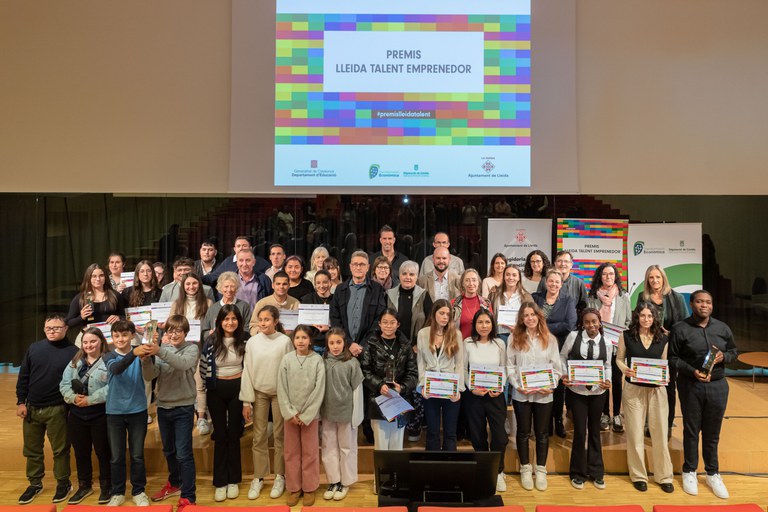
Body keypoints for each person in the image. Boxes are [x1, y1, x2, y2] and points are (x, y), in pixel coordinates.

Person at [669, 290, 738, 500]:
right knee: (691, 430)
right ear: (692, 304)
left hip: (718, 386)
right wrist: (692, 372)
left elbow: (734, 352)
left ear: (712, 305)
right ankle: (689, 470)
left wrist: (724, 356)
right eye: (699, 302)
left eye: (708, 302)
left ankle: (712, 473)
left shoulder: (722, 328)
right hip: (691, 385)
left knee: (712, 432)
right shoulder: (680, 328)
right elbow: (673, 358)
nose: (704, 305)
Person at [16, 313, 79, 505]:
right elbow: (24, 376)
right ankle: (35, 483)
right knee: (32, 450)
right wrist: (21, 402)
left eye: (56, 328)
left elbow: (76, 383)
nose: (52, 331)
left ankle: (63, 483)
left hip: (57, 408)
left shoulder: (74, 352)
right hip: (32, 407)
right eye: (48, 328)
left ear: (66, 328)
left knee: (60, 450)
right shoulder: (34, 348)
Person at [140, 315, 200, 512]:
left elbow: (182, 364)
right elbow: (150, 376)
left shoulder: (192, 349)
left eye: (178, 331)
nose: (174, 335)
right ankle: (174, 483)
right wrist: (146, 360)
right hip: (163, 407)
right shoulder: (161, 350)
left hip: (184, 407)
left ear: (185, 332)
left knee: (184, 454)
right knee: (169, 451)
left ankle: (188, 496)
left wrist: (159, 350)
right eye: (170, 331)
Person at [615, 303, 674, 494]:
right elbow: (619, 359)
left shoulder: (663, 337)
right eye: (643, 316)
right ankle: (639, 476)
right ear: (637, 317)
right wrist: (625, 370)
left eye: (650, 316)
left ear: (655, 318)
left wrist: (666, 375)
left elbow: (664, 363)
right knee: (635, 434)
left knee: (660, 433)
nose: (646, 319)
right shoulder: (626, 335)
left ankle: (664, 476)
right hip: (633, 389)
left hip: (657, 390)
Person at [507, 302, 562, 492]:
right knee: (522, 432)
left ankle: (540, 470)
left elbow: (557, 368)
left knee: (542, 433)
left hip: (543, 395)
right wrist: (517, 385)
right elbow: (510, 366)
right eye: (526, 315)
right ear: (521, 319)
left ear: (539, 316)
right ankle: (525, 468)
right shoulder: (514, 338)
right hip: (521, 394)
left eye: (532, 314)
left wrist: (551, 385)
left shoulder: (550, 339)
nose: (529, 318)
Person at [240, 306, 293, 500]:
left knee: (280, 436)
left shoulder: (285, 341)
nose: (263, 323)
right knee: (259, 436)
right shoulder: (252, 342)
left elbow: (289, 369)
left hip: (280, 394)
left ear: (275, 321)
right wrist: (246, 401)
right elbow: (247, 370)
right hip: (259, 393)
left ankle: (280, 476)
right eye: (260, 319)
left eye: (267, 319)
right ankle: (259, 476)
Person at [199, 305, 249, 502]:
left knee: (234, 434)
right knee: (220, 435)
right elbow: (203, 368)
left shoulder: (245, 339)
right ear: (219, 321)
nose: (230, 322)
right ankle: (220, 482)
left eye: (234, 318)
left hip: (238, 389)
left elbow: (249, 367)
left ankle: (234, 480)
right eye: (226, 319)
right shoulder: (211, 340)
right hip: (216, 390)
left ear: (239, 321)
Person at [560, 308, 612, 490]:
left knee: (595, 431)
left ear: (600, 322)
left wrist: (607, 380)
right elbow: (562, 357)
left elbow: (608, 366)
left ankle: (596, 472)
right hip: (577, 392)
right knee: (580, 432)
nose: (591, 325)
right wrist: (564, 374)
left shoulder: (607, 342)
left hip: (598, 393)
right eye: (587, 322)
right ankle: (577, 473)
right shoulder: (573, 337)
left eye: (594, 321)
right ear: (582, 324)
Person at [60, 327, 112, 504]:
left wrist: (90, 400)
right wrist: (73, 398)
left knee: (103, 452)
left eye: (93, 341)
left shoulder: (109, 360)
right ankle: (84, 486)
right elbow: (64, 384)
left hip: (100, 414)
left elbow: (112, 386)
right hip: (77, 415)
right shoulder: (75, 361)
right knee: (81, 453)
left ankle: (106, 487)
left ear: (101, 342)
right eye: (85, 342)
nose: (89, 345)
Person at [102, 320, 150, 506]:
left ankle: (139, 491)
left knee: (137, 455)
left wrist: (146, 357)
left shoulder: (140, 352)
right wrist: (134, 353)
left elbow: (151, 373)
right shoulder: (108, 355)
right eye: (116, 336)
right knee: (116, 456)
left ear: (131, 335)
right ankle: (118, 492)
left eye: (124, 335)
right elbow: (117, 369)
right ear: (112, 338)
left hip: (138, 410)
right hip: (114, 412)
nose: (120, 339)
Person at [278, 325, 326, 506]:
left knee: (310, 452)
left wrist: (306, 415)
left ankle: (309, 487)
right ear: (293, 340)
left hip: (310, 416)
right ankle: (294, 487)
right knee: (291, 452)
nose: (300, 341)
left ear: (310, 341)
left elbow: (319, 389)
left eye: (304, 338)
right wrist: (290, 412)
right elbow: (281, 388)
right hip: (290, 415)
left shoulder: (317, 360)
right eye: (297, 338)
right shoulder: (287, 360)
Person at [464, 309, 509, 492]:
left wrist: (500, 386)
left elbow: (504, 368)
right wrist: (472, 388)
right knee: (478, 436)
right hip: (474, 396)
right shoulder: (468, 343)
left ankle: (498, 471)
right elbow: (463, 369)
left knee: (500, 436)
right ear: (475, 324)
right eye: (480, 322)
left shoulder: (499, 343)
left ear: (493, 324)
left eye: (487, 322)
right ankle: (484, 470)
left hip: (495, 396)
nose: (484, 326)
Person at [640, 264, 688, 436]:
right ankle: (649, 424)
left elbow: (685, 324)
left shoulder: (676, 298)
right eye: (651, 277)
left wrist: (671, 333)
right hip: (648, 348)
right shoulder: (643, 297)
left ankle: (666, 424)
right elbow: (638, 320)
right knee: (648, 386)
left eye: (657, 277)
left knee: (668, 386)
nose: (654, 280)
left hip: (670, 348)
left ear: (663, 278)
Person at [361, 310, 418, 451]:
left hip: (399, 400)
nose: (388, 326)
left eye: (392, 322)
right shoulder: (371, 344)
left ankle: (396, 468)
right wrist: (379, 385)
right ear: (379, 324)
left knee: (396, 447)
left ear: (398, 324)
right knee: (381, 446)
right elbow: (365, 371)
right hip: (378, 399)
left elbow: (412, 373)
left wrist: (402, 387)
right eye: (385, 322)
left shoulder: (405, 345)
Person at [587, 262, 632, 433]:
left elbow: (628, 321)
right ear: (600, 276)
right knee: (603, 379)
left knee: (617, 380)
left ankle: (617, 414)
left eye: (611, 274)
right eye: (605, 274)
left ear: (616, 276)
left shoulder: (623, 296)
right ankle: (604, 413)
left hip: (617, 345)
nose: (608, 277)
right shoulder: (592, 296)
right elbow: (588, 319)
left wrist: (620, 336)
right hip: (598, 343)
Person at [533, 269, 577, 437]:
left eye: (557, 282)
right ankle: (543, 423)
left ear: (561, 284)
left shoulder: (568, 300)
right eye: (550, 281)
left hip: (559, 347)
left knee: (557, 386)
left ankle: (558, 420)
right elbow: (529, 319)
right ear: (546, 282)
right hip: (537, 347)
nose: (553, 284)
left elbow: (569, 324)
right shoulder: (536, 298)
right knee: (540, 381)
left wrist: (543, 328)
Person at [321, 328, 363, 501]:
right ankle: (334, 480)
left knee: (347, 447)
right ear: (327, 344)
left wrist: (356, 416)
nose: (335, 346)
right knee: (329, 447)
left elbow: (357, 390)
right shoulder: (323, 362)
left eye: (338, 342)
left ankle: (346, 481)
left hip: (346, 413)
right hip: (328, 412)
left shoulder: (352, 363)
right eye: (331, 343)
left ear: (344, 343)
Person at [416, 299, 464, 451]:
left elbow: (460, 363)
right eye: (441, 313)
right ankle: (433, 464)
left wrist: (458, 389)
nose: (445, 317)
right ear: (434, 313)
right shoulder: (423, 333)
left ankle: (450, 464)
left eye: (448, 314)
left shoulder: (456, 334)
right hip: (431, 387)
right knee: (432, 432)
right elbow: (421, 362)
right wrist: (422, 386)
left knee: (450, 432)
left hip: (450, 387)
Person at [329, 250, 387, 354]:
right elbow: (335, 319)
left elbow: (379, 320)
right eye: (355, 264)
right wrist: (349, 343)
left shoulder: (377, 289)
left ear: (368, 267)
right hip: (344, 348)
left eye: (362, 264)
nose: (358, 267)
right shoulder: (340, 289)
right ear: (350, 267)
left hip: (368, 349)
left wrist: (363, 345)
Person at [65, 263, 125, 333]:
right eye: (94, 276)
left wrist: (119, 318)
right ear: (88, 278)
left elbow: (125, 316)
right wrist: (81, 317)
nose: (98, 279)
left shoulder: (115, 295)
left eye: (101, 275)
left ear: (106, 277)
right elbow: (68, 323)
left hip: (111, 334)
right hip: (89, 336)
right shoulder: (80, 298)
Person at [386, 260, 432, 344]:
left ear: (416, 277)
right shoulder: (389, 294)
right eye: (404, 274)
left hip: (418, 345)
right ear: (399, 275)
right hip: (392, 344)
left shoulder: (424, 295)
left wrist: (418, 343)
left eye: (411, 274)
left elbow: (431, 320)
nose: (408, 277)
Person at [203, 236, 270, 289]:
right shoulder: (228, 262)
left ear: (250, 248)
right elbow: (212, 277)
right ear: (234, 249)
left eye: (244, 246)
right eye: (238, 246)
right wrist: (198, 279)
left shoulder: (260, 262)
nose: (241, 248)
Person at [488, 264, 533, 342]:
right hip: (498, 336)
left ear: (519, 278)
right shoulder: (494, 294)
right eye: (508, 274)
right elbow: (488, 313)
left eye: (514, 275)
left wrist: (520, 328)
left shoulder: (526, 297)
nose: (511, 278)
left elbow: (532, 317)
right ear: (504, 276)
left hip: (520, 335)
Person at [202, 271, 252, 338]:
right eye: (226, 286)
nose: (229, 290)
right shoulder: (213, 308)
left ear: (237, 288)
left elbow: (247, 330)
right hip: (217, 342)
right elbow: (204, 332)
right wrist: (210, 333)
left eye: (232, 286)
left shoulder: (244, 306)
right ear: (220, 288)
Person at [452, 269, 492, 339]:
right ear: (462, 283)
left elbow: (491, 326)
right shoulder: (454, 303)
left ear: (478, 282)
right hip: (460, 343)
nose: (471, 283)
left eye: (474, 280)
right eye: (467, 280)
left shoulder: (486, 303)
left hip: (481, 343)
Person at [301, 269, 334, 354]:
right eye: (318, 283)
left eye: (325, 282)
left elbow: (341, 322)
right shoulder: (307, 299)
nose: (321, 286)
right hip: (312, 344)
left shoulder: (336, 300)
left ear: (330, 283)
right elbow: (303, 324)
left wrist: (329, 327)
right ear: (315, 284)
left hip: (331, 344)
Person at [170, 273, 211, 338]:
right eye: (188, 284)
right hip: (180, 340)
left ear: (199, 284)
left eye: (194, 283)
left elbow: (210, 325)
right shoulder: (176, 303)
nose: (191, 287)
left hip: (202, 340)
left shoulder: (208, 303)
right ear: (183, 286)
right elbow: (171, 325)